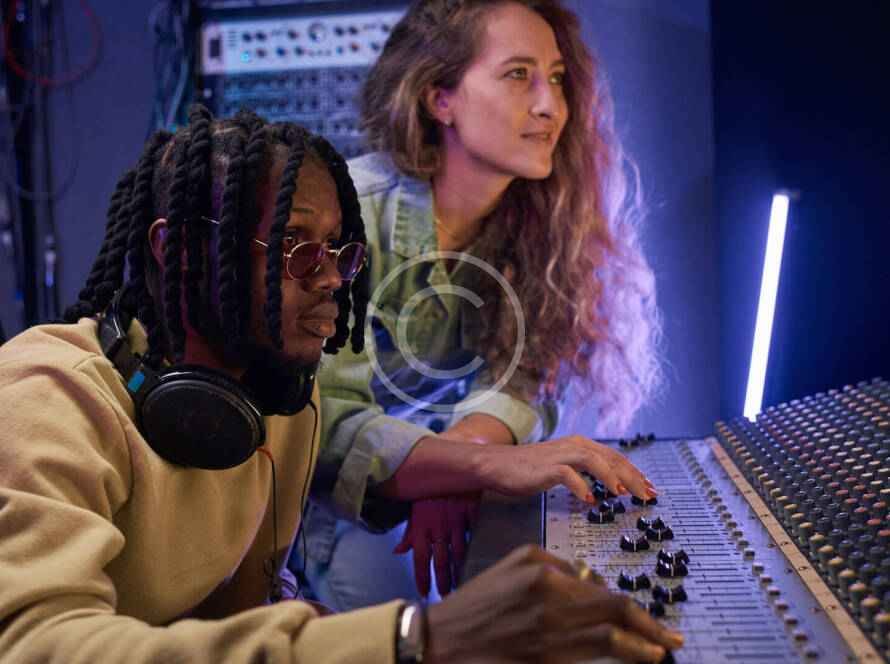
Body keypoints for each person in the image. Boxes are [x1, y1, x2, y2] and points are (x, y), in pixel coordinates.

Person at [0, 105, 682, 663]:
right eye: (297, 247)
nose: (331, 278)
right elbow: (33, 648)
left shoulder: (281, 400)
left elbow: (254, 612)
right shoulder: (51, 395)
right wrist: (414, 638)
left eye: (339, 251)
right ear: (180, 251)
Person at [295, 0, 662, 611]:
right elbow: (325, 426)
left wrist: (464, 461)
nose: (550, 106)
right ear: (440, 99)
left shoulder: (541, 227)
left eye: (556, 78)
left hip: (448, 473)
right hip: (330, 514)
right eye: (519, 74)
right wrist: (464, 468)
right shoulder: (349, 212)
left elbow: (523, 382)